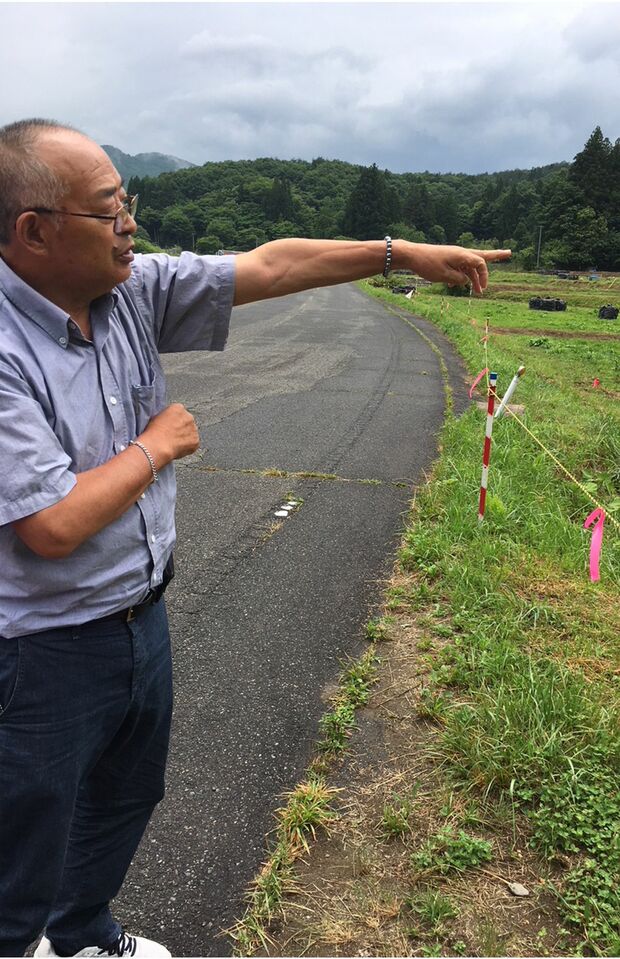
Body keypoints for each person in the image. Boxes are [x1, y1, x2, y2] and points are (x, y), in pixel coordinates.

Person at [0, 118, 511, 958]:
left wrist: (401, 251)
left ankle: (83, 934)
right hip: (43, 650)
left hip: (141, 616)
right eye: (109, 210)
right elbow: (51, 523)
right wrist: (153, 446)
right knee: (21, 852)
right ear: (35, 230)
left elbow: (272, 264)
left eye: (129, 202)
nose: (131, 224)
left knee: (126, 797)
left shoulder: (127, 289)